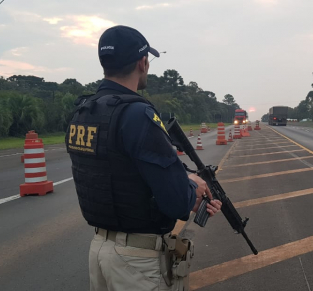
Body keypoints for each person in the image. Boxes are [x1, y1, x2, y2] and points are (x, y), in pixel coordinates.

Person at [65, 25, 222, 291]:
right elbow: (175, 203)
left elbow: (122, 171)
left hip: (100, 249)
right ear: (143, 62)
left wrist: (185, 180)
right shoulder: (138, 115)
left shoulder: (84, 111)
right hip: (136, 260)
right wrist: (193, 187)